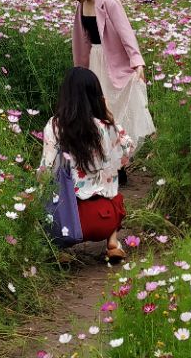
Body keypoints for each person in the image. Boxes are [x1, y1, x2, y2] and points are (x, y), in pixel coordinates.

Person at [58, 0, 155, 175]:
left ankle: (120, 161)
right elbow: (81, 38)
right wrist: (80, 68)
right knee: (97, 111)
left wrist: (137, 62)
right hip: (93, 61)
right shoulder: (82, 6)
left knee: (116, 110)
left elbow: (126, 33)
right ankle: (104, 159)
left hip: (114, 61)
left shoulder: (109, 1)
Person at [39, 67, 135, 264]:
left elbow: (45, 170)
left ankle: (58, 250)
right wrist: (109, 117)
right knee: (115, 195)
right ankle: (112, 242)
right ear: (96, 96)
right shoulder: (105, 127)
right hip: (104, 218)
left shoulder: (55, 126)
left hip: (70, 221)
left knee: (46, 204)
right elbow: (128, 149)